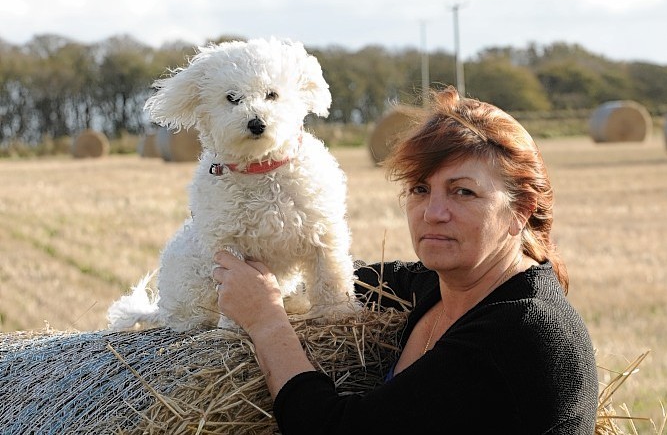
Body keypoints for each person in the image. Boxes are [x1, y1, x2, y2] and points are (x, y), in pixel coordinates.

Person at [213, 86, 598, 434]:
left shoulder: (523, 332)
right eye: (420, 189)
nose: (433, 212)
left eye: (463, 192)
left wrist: (266, 323)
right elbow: (342, 276)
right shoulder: (436, 287)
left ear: (520, 211)